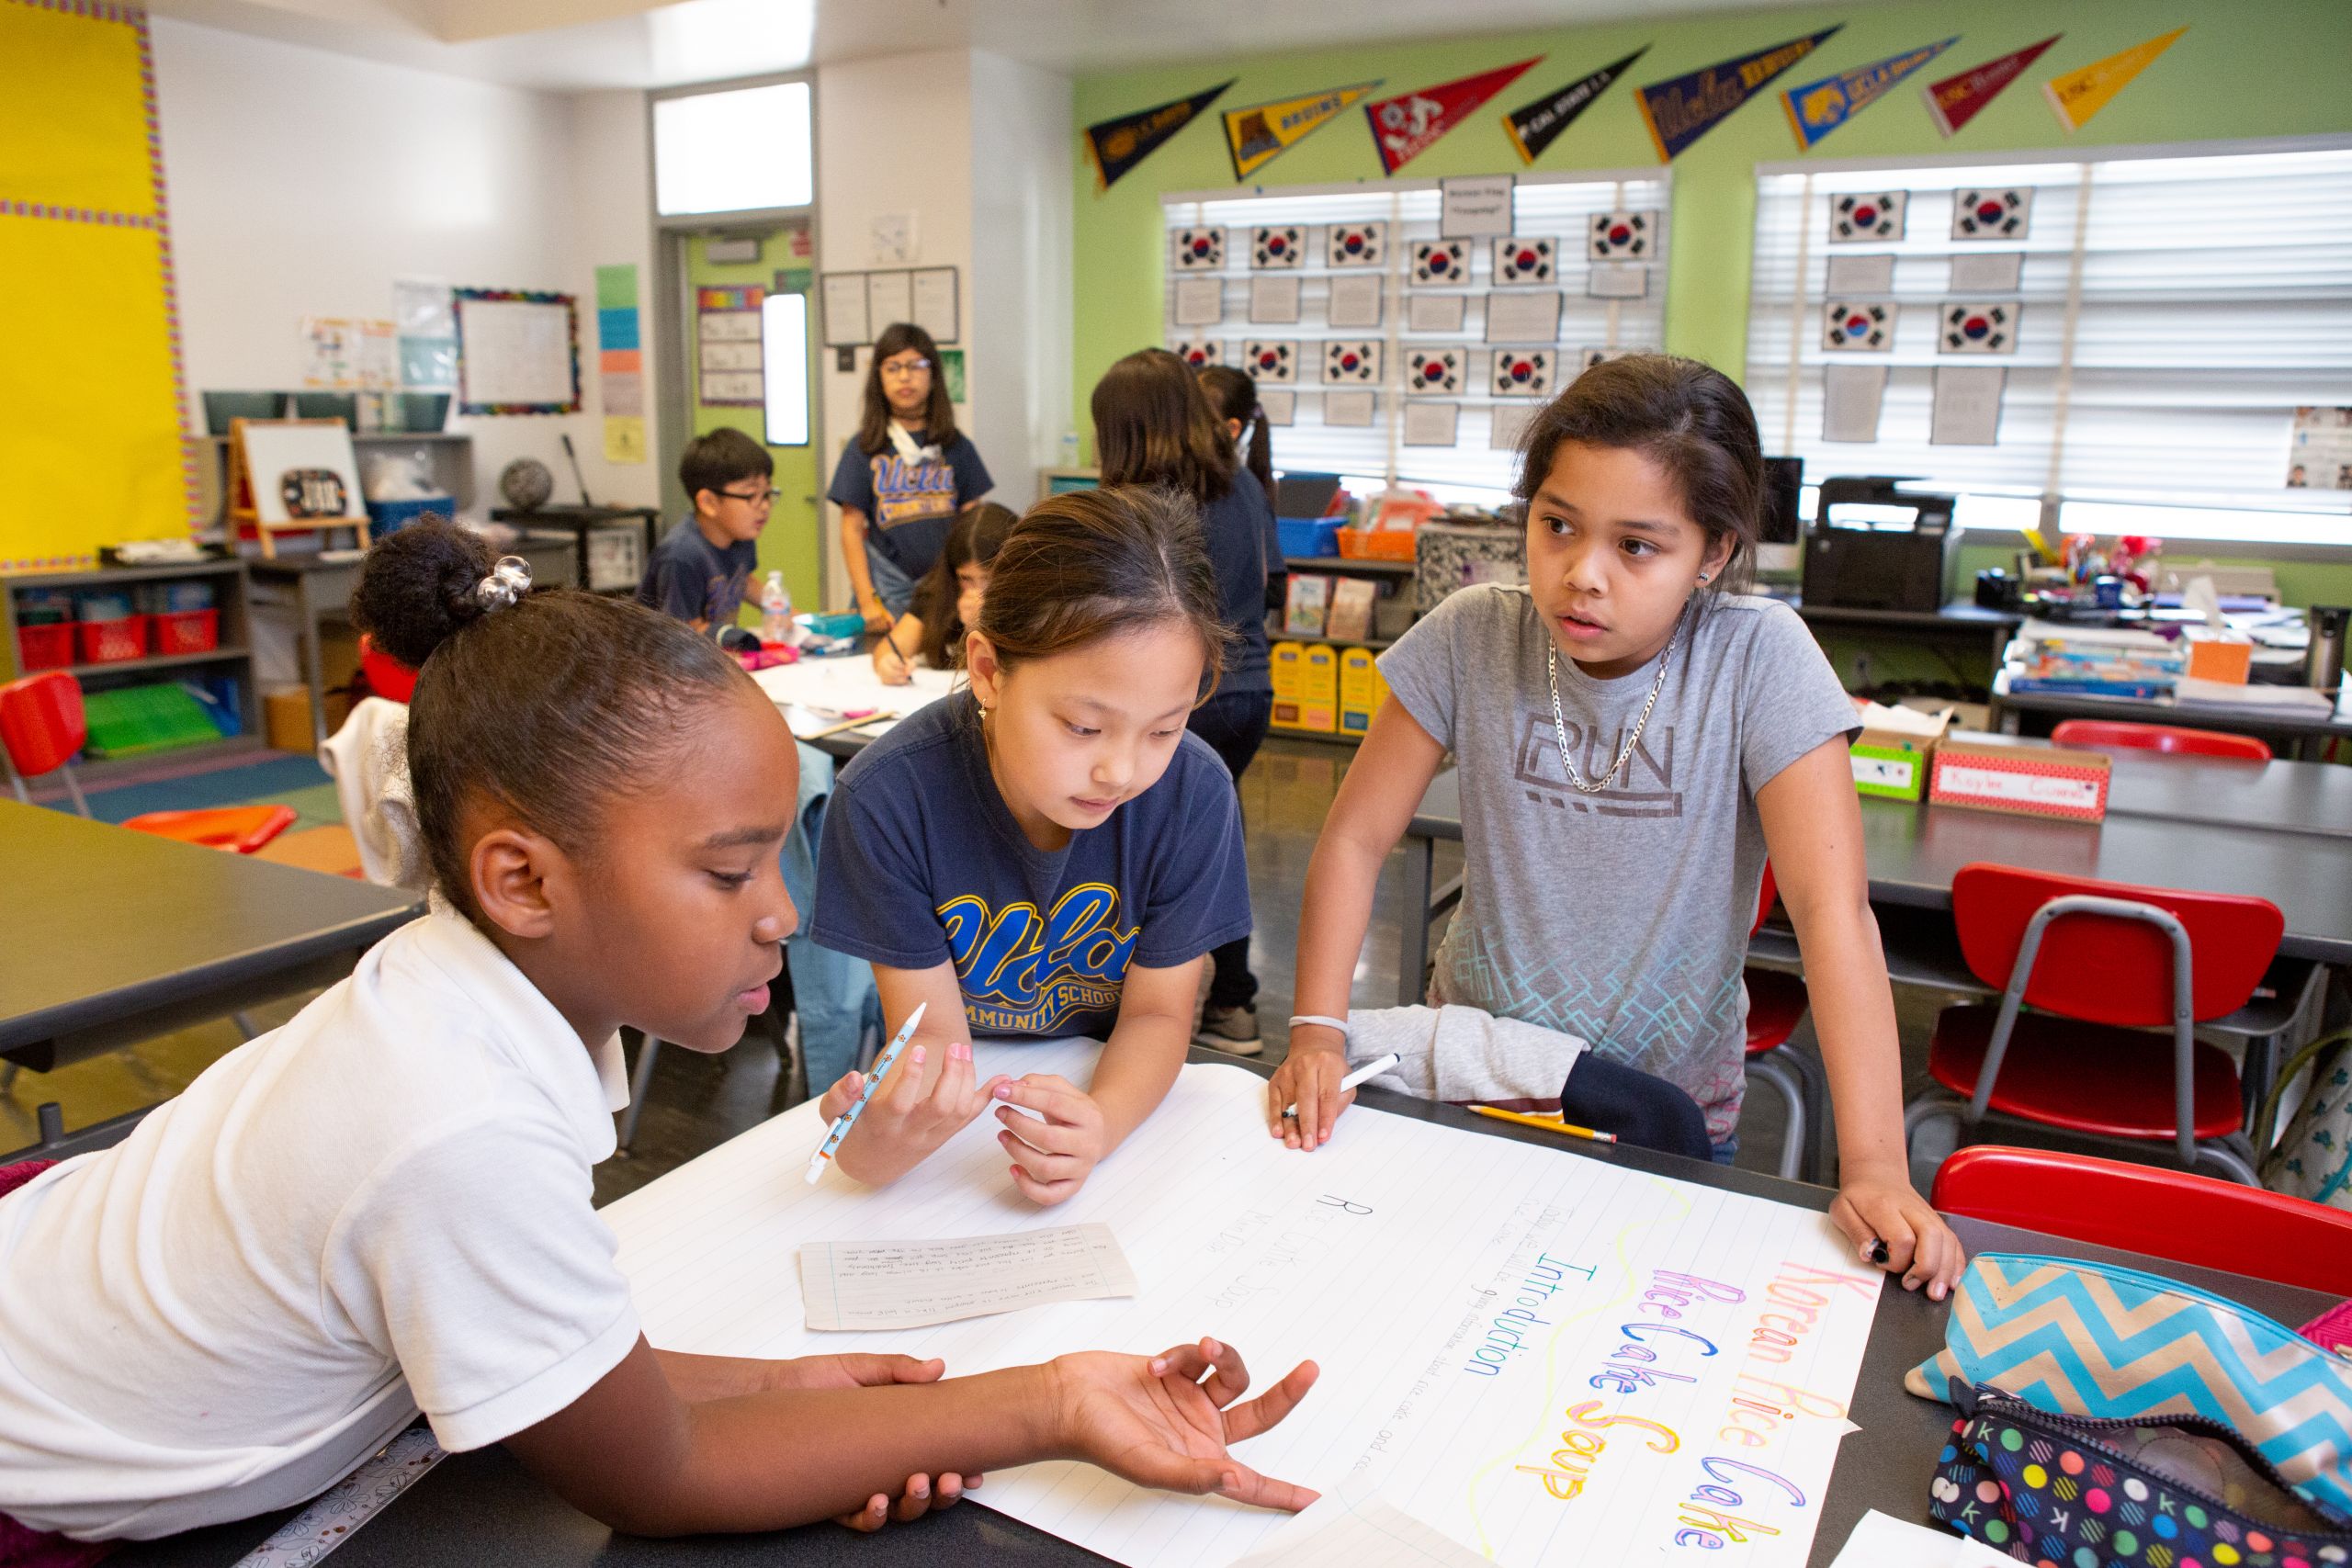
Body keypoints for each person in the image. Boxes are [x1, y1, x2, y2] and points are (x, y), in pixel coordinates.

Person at [0, 521, 1318, 1549]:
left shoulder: (461, 995)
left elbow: (526, 1343)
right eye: (730, 871)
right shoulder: (452, 1124)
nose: (784, 915)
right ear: (523, 880)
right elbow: (657, 1475)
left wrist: (790, 1391)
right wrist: (1045, 1400)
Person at [1265, 355, 1967, 1303]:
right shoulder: (1475, 635)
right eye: (1556, 525)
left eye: (1637, 546)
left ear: (1712, 552)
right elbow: (1353, 840)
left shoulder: (1757, 661)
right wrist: (1314, 1029)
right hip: (1480, 1084)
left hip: (1661, 1118)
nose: (1581, 575)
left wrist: (1878, 1164)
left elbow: (1831, 915)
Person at [808, 488, 1250, 1204]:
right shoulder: (889, 797)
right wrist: (884, 1142)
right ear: (986, 670)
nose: (1122, 770)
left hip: (1122, 1086)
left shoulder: (1192, 794)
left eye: (1164, 729)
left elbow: (1159, 1013)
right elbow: (931, 1035)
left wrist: (1099, 1125)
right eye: (1083, 727)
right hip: (975, 1091)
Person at [1094, 349, 1277, 1055]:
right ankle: (1232, 1003)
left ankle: (1121, 1011)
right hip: (1249, 692)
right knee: (1212, 844)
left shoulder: (1136, 506)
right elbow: (1268, 583)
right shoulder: (1245, 486)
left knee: (1133, 851)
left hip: (1173, 704)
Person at [828, 323, 991, 633]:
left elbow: (974, 524)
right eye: (893, 367)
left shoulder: (955, 445)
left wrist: (973, 590)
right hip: (886, 594)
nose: (905, 377)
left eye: (916, 366)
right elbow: (851, 528)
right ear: (879, 377)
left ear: (933, 376)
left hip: (943, 590)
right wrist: (866, 600)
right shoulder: (865, 447)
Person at [638, 428, 773, 633]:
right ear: (708, 502)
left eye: (767, 494)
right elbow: (681, 631)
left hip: (705, 655)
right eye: (751, 495)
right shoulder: (681, 555)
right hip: (660, 656)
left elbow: (742, 579)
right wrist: (737, 640)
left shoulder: (741, 536)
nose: (764, 506)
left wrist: (785, 610)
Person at [873, 501, 1016, 686]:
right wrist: (888, 665)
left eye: (988, 578)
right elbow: (889, 649)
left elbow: (1020, 672)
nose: (977, 591)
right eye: (966, 578)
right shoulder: (940, 592)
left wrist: (984, 628)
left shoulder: (1034, 596)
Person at [1197, 364, 1287, 616]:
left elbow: (1270, 589)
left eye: (1196, 421)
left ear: (1232, 429)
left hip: (1235, 649)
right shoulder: (1239, 482)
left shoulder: (1229, 487)